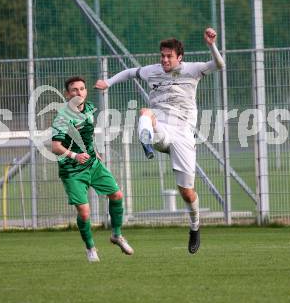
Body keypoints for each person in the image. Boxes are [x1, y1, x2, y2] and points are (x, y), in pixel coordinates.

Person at [95, 28, 225, 254]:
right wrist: (108, 82)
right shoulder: (152, 71)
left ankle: (195, 226)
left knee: (186, 192)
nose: (164, 60)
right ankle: (145, 140)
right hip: (160, 128)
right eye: (162, 55)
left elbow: (219, 65)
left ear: (179, 57)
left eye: (169, 56)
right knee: (145, 112)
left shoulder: (192, 70)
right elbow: (129, 73)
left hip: (183, 133)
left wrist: (211, 45)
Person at [51, 76, 134, 262]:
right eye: (74, 90)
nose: (78, 92)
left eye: (82, 89)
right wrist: (75, 155)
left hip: (92, 164)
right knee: (85, 212)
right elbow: (55, 147)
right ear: (67, 94)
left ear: (86, 92)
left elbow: (86, 135)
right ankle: (90, 248)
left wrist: (94, 151)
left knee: (117, 195)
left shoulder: (88, 109)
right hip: (72, 170)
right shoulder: (62, 117)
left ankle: (116, 235)